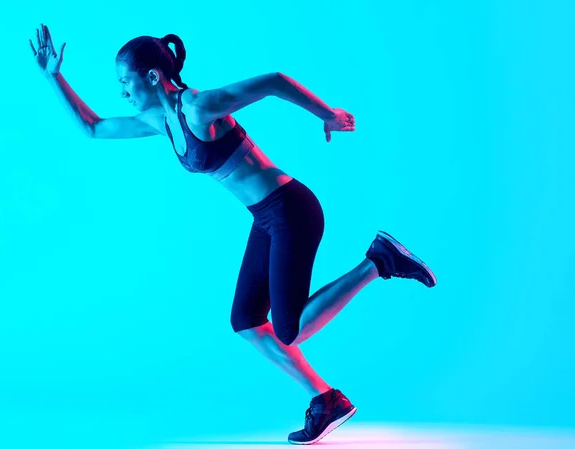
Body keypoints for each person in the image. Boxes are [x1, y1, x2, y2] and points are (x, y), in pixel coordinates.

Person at [29, 23, 437, 445]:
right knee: (246, 320)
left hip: (292, 210)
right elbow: (93, 128)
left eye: (124, 81)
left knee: (288, 328)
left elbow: (274, 82)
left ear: (152, 76)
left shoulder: (200, 107)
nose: (121, 92)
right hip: (266, 217)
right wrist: (53, 76)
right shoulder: (161, 120)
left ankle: (379, 261)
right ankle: (326, 400)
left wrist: (327, 114)